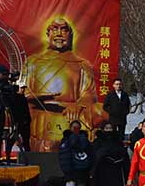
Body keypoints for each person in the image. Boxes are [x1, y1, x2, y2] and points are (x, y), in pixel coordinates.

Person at [21, 17, 104, 152]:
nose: (59, 34)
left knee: (100, 111)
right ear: (48, 35)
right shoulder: (33, 62)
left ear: (70, 36)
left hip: (73, 112)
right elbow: (23, 92)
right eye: (55, 29)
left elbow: (89, 95)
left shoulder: (82, 64)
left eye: (64, 30)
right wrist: (42, 98)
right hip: (42, 110)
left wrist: (78, 105)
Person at [89, 122, 128, 186]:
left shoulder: (117, 140)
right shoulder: (99, 141)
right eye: (107, 128)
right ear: (103, 129)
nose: (109, 130)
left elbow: (122, 152)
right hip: (103, 169)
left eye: (110, 128)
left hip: (116, 168)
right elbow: (96, 154)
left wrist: (119, 158)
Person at [57, 120, 92, 186]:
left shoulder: (84, 140)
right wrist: (66, 168)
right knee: (70, 184)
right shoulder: (65, 140)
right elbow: (63, 155)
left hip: (82, 167)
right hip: (70, 167)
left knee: (81, 185)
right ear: (70, 128)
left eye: (77, 127)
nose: (76, 129)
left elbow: (90, 154)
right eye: (74, 127)